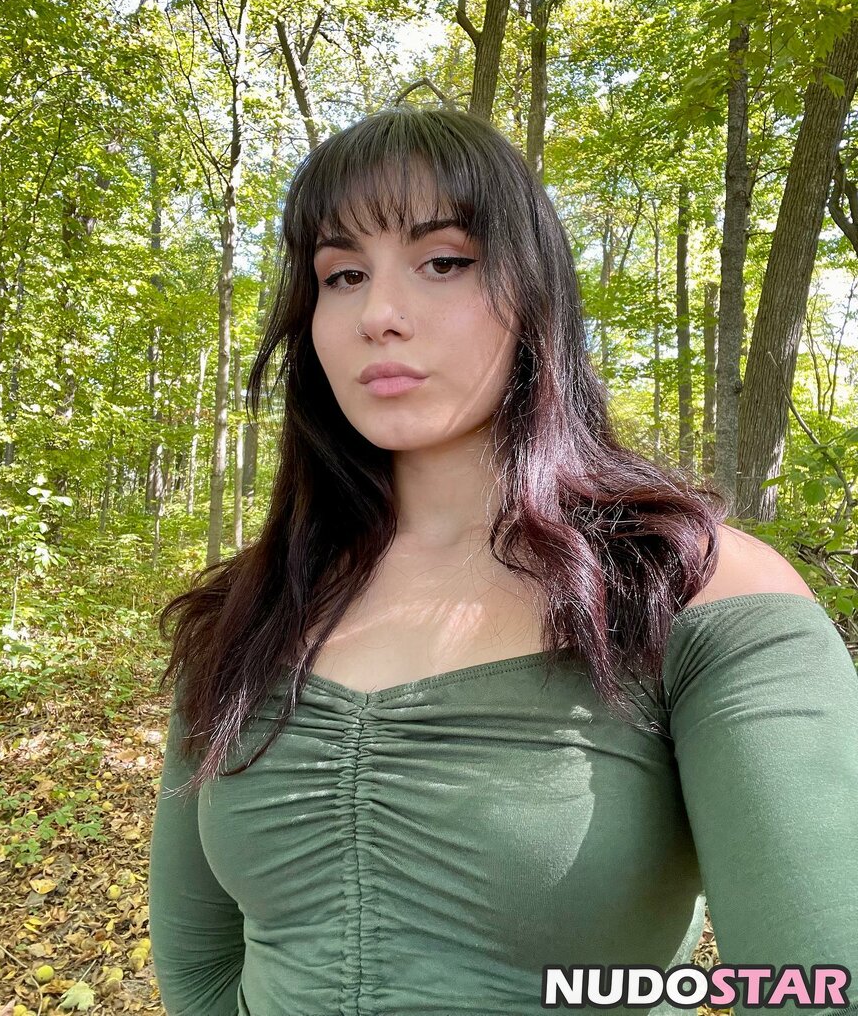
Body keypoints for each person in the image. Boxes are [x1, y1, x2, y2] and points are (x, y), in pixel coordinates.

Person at [147, 106, 858, 1016]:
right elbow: (201, 970)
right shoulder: (250, 608)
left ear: (534, 294)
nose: (380, 315)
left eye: (444, 261)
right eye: (343, 275)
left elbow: (818, 983)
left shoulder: (696, 592)